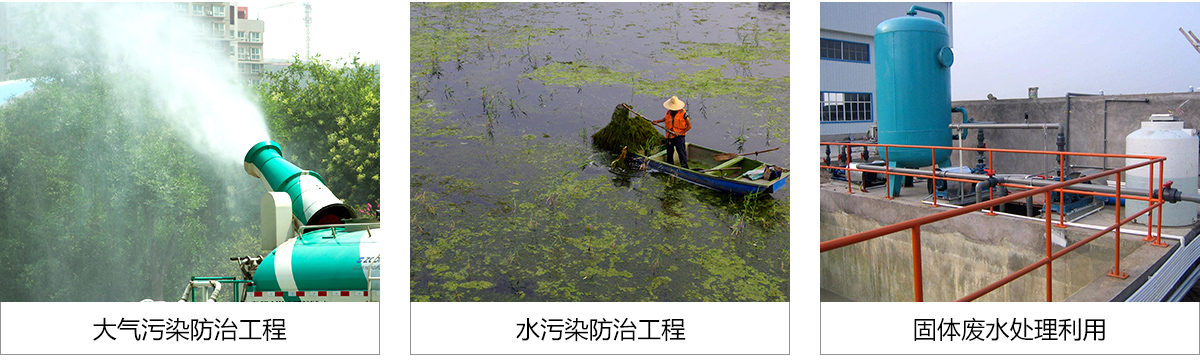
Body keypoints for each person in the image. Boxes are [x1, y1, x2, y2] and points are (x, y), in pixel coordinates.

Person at [651, 96, 692, 169]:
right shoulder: (668, 112)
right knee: (669, 152)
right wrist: (657, 121)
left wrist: (680, 133)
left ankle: (685, 167)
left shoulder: (684, 114)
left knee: (681, 152)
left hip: (679, 137)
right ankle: (670, 166)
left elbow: (689, 126)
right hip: (670, 135)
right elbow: (666, 119)